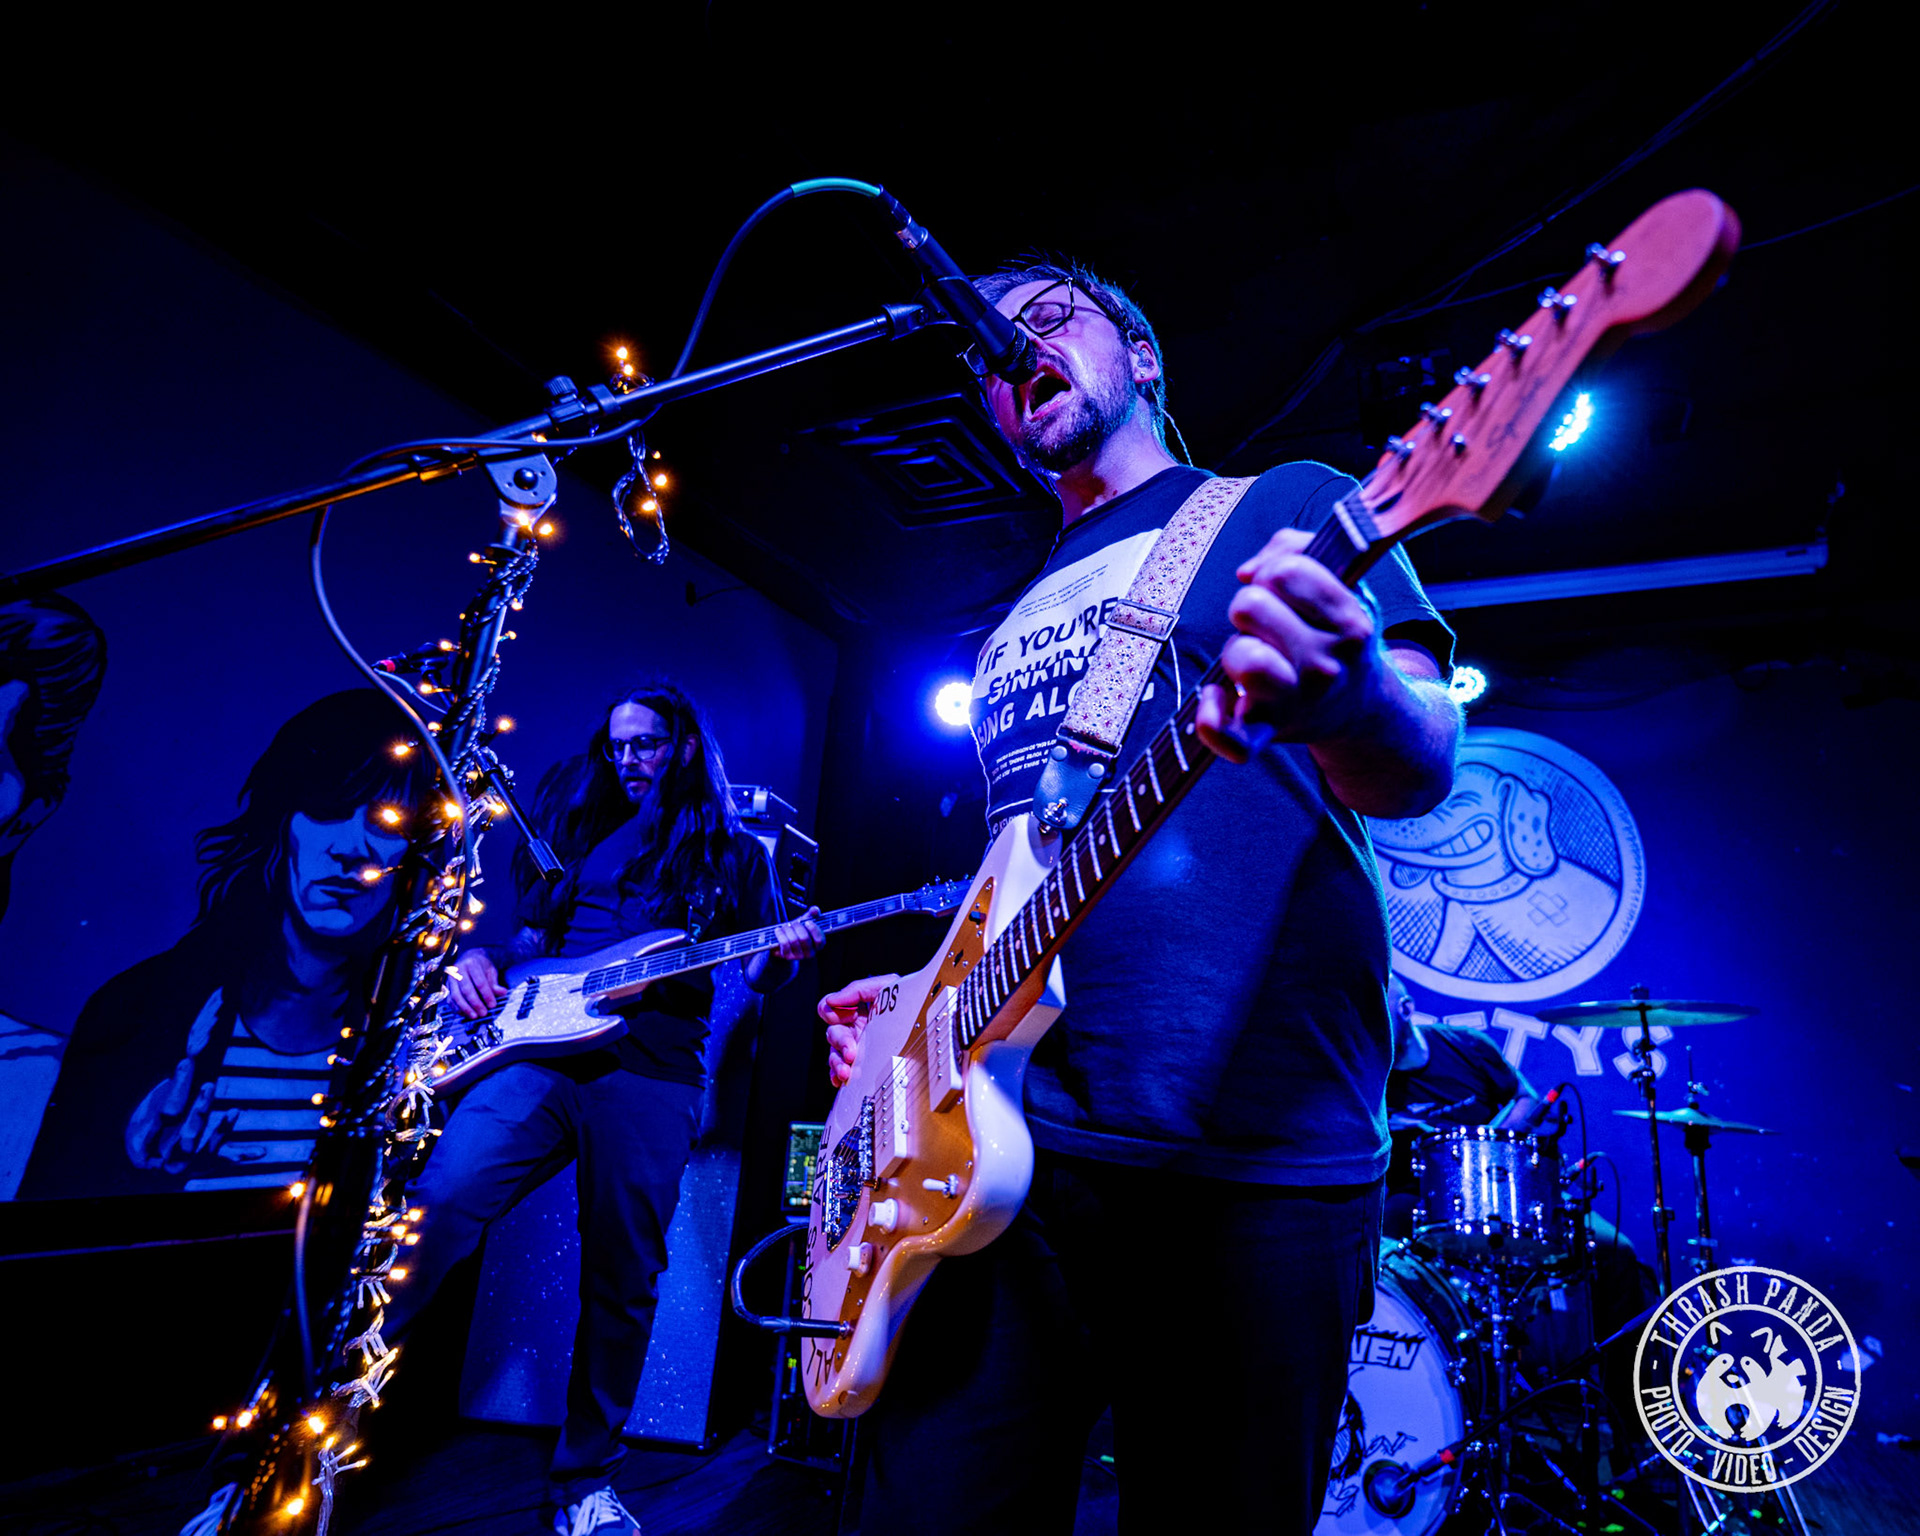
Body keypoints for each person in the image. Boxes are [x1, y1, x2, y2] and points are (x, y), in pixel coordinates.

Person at [819, 263, 1462, 1532]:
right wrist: (920, 1014)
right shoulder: (1012, 621)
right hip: (1003, 1157)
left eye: (1049, 315)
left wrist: (1353, 700)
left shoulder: (1283, 506)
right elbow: (1018, 876)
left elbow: (1423, 759)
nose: (1009, 346)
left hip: (1251, 1155)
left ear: (1145, 357)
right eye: (986, 349)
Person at [386, 681, 822, 1536]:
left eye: (645, 743)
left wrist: (788, 952)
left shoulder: (735, 853)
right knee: (434, 1210)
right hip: (539, 1057)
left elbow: (761, 969)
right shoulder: (580, 828)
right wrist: (481, 960)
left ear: (684, 745)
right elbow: (529, 942)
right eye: (617, 745)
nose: (628, 760)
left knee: (623, 1280)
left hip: (653, 1074)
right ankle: (308, 1430)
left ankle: (585, 1481)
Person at [21, 689, 431, 1197]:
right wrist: (132, 1166)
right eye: (327, 810)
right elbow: (45, 1218)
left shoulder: (419, 1038)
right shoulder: (138, 1010)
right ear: (280, 825)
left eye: (388, 821)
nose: (351, 848)